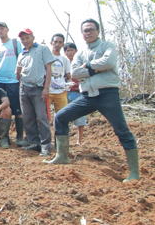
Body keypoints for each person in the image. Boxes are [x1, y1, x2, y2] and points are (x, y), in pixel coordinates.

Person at [46, 19, 140, 183]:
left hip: (107, 95)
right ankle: (62, 156)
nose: (87, 33)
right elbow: (75, 73)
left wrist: (87, 67)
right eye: (85, 31)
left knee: (122, 130)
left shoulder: (107, 46)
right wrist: (97, 68)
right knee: (60, 117)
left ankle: (134, 173)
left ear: (98, 31)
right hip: (87, 97)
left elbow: (109, 62)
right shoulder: (80, 53)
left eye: (90, 30)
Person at [16, 28, 55, 157]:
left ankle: (46, 145)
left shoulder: (43, 49)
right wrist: (18, 75)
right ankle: (34, 142)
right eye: (22, 39)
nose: (25, 41)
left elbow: (49, 68)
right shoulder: (22, 54)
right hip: (24, 88)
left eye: (27, 38)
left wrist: (46, 88)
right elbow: (18, 70)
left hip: (39, 87)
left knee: (41, 117)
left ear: (33, 37)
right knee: (27, 117)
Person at [63, 42, 87, 145]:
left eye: (71, 50)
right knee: (62, 116)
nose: (69, 52)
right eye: (67, 50)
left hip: (77, 92)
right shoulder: (62, 62)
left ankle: (79, 140)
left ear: (75, 51)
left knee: (80, 117)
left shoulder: (79, 63)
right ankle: (63, 139)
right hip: (63, 92)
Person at [47, 34, 71, 124]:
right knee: (44, 117)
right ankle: (45, 138)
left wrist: (69, 84)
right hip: (47, 91)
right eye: (55, 41)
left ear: (63, 44)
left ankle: (60, 137)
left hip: (61, 91)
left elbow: (68, 76)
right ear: (51, 43)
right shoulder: (46, 57)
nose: (57, 44)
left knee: (63, 117)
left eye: (60, 42)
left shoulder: (65, 60)